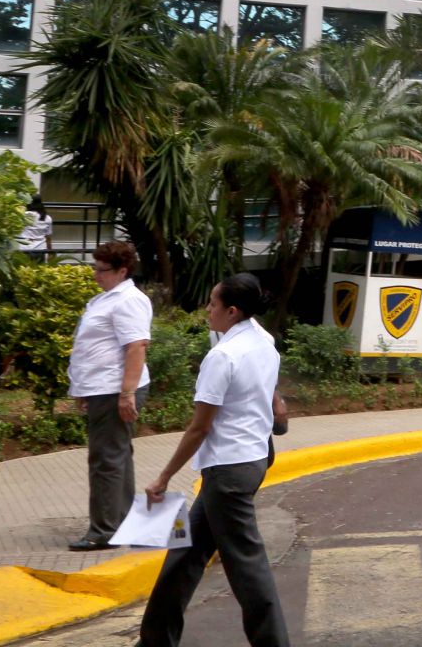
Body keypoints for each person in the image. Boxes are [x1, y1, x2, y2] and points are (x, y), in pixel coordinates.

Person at [138, 275, 288, 647]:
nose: (207, 309)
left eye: (212, 303)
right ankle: (155, 640)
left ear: (231, 311)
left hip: (228, 472)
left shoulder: (222, 357)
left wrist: (163, 477)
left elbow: (198, 429)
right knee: (185, 555)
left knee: (247, 565)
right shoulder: (264, 341)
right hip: (251, 460)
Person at [66, 239, 155, 551]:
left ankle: (103, 531)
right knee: (116, 457)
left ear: (122, 271)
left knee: (106, 459)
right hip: (102, 389)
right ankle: (127, 523)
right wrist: (83, 388)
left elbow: (136, 347)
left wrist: (126, 393)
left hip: (115, 388)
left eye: (102, 270)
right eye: (94, 267)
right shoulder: (107, 298)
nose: (95, 274)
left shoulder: (128, 300)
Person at [17, 195, 53, 260]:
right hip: (40, 248)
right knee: (38, 269)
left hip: (24, 247)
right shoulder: (47, 218)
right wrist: (50, 251)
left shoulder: (23, 215)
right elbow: (48, 237)